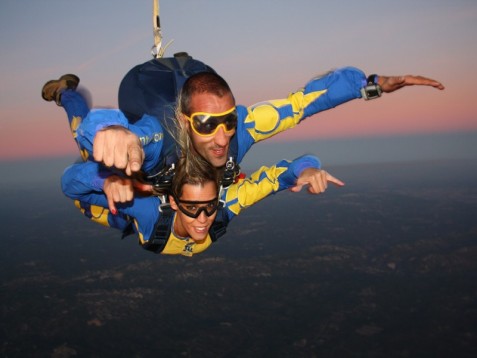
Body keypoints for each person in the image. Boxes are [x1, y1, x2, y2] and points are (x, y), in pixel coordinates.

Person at [62, 150, 343, 256]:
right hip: (117, 212)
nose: (203, 218)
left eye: (209, 206)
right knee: (88, 155)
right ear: (173, 203)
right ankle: (68, 96)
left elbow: (280, 175)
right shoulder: (145, 208)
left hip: (142, 222)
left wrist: (307, 169)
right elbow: (70, 186)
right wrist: (103, 181)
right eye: (192, 208)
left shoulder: (225, 205)